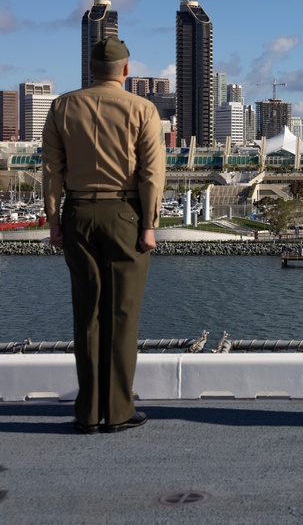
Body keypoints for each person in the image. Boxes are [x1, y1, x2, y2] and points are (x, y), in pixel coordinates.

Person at [42, 36, 165, 434]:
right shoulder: (143, 109)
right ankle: (118, 411)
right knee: (122, 315)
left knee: (87, 312)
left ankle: (87, 411)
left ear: (91, 69)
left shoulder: (62, 106)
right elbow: (151, 174)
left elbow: (51, 171)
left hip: (77, 212)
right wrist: (149, 225)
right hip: (126, 214)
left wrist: (53, 221)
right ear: (126, 71)